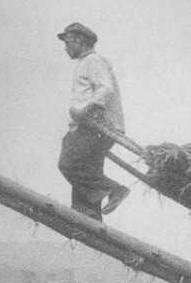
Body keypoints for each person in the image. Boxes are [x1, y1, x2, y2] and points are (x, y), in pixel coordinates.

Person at [57, 22, 129, 221]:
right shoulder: (87, 63)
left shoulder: (93, 61)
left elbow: (105, 89)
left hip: (95, 127)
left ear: (80, 40)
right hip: (92, 126)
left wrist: (83, 111)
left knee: (69, 164)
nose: (66, 47)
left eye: (68, 42)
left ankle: (113, 190)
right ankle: (88, 216)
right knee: (87, 170)